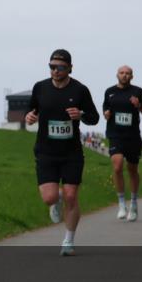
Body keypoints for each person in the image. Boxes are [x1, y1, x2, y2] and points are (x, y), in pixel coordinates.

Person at [24, 49, 99, 256]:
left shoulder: (80, 90)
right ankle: (54, 202)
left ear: (70, 68)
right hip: (46, 151)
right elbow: (32, 110)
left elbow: (94, 117)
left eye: (60, 67)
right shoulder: (40, 88)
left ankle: (68, 240)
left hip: (71, 153)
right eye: (52, 67)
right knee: (49, 197)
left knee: (71, 195)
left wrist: (81, 114)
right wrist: (30, 117)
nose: (55, 71)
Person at [102, 65, 142, 222]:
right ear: (117, 74)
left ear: (132, 76)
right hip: (115, 134)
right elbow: (105, 108)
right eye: (122, 73)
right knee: (117, 166)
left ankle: (134, 203)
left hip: (132, 136)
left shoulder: (137, 91)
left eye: (127, 73)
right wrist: (106, 113)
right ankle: (121, 203)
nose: (124, 75)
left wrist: (139, 105)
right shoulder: (109, 92)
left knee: (132, 169)